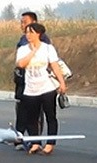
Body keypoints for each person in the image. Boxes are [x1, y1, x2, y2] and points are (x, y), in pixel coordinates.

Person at [16, 23, 66, 155]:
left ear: (38, 34)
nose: (28, 35)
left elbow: (55, 66)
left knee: (50, 116)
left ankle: (50, 143)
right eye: (26, 32)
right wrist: (32, 51)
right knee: (31, 118)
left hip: (46, 87)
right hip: (30, 88)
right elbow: (20, 64)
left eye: (31, 32)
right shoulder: (22, 49)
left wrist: (62, 83)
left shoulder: (48, 48)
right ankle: (35, 143)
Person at [14, 11, 51, 150]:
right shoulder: (22, 40)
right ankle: (20, 137)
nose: (22, 25)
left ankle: (35, 140)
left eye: (25, 22)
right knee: (21, 109)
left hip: (37, 81)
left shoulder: (43, 41)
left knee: (35, 112)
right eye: (21, 22)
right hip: (22, 80)